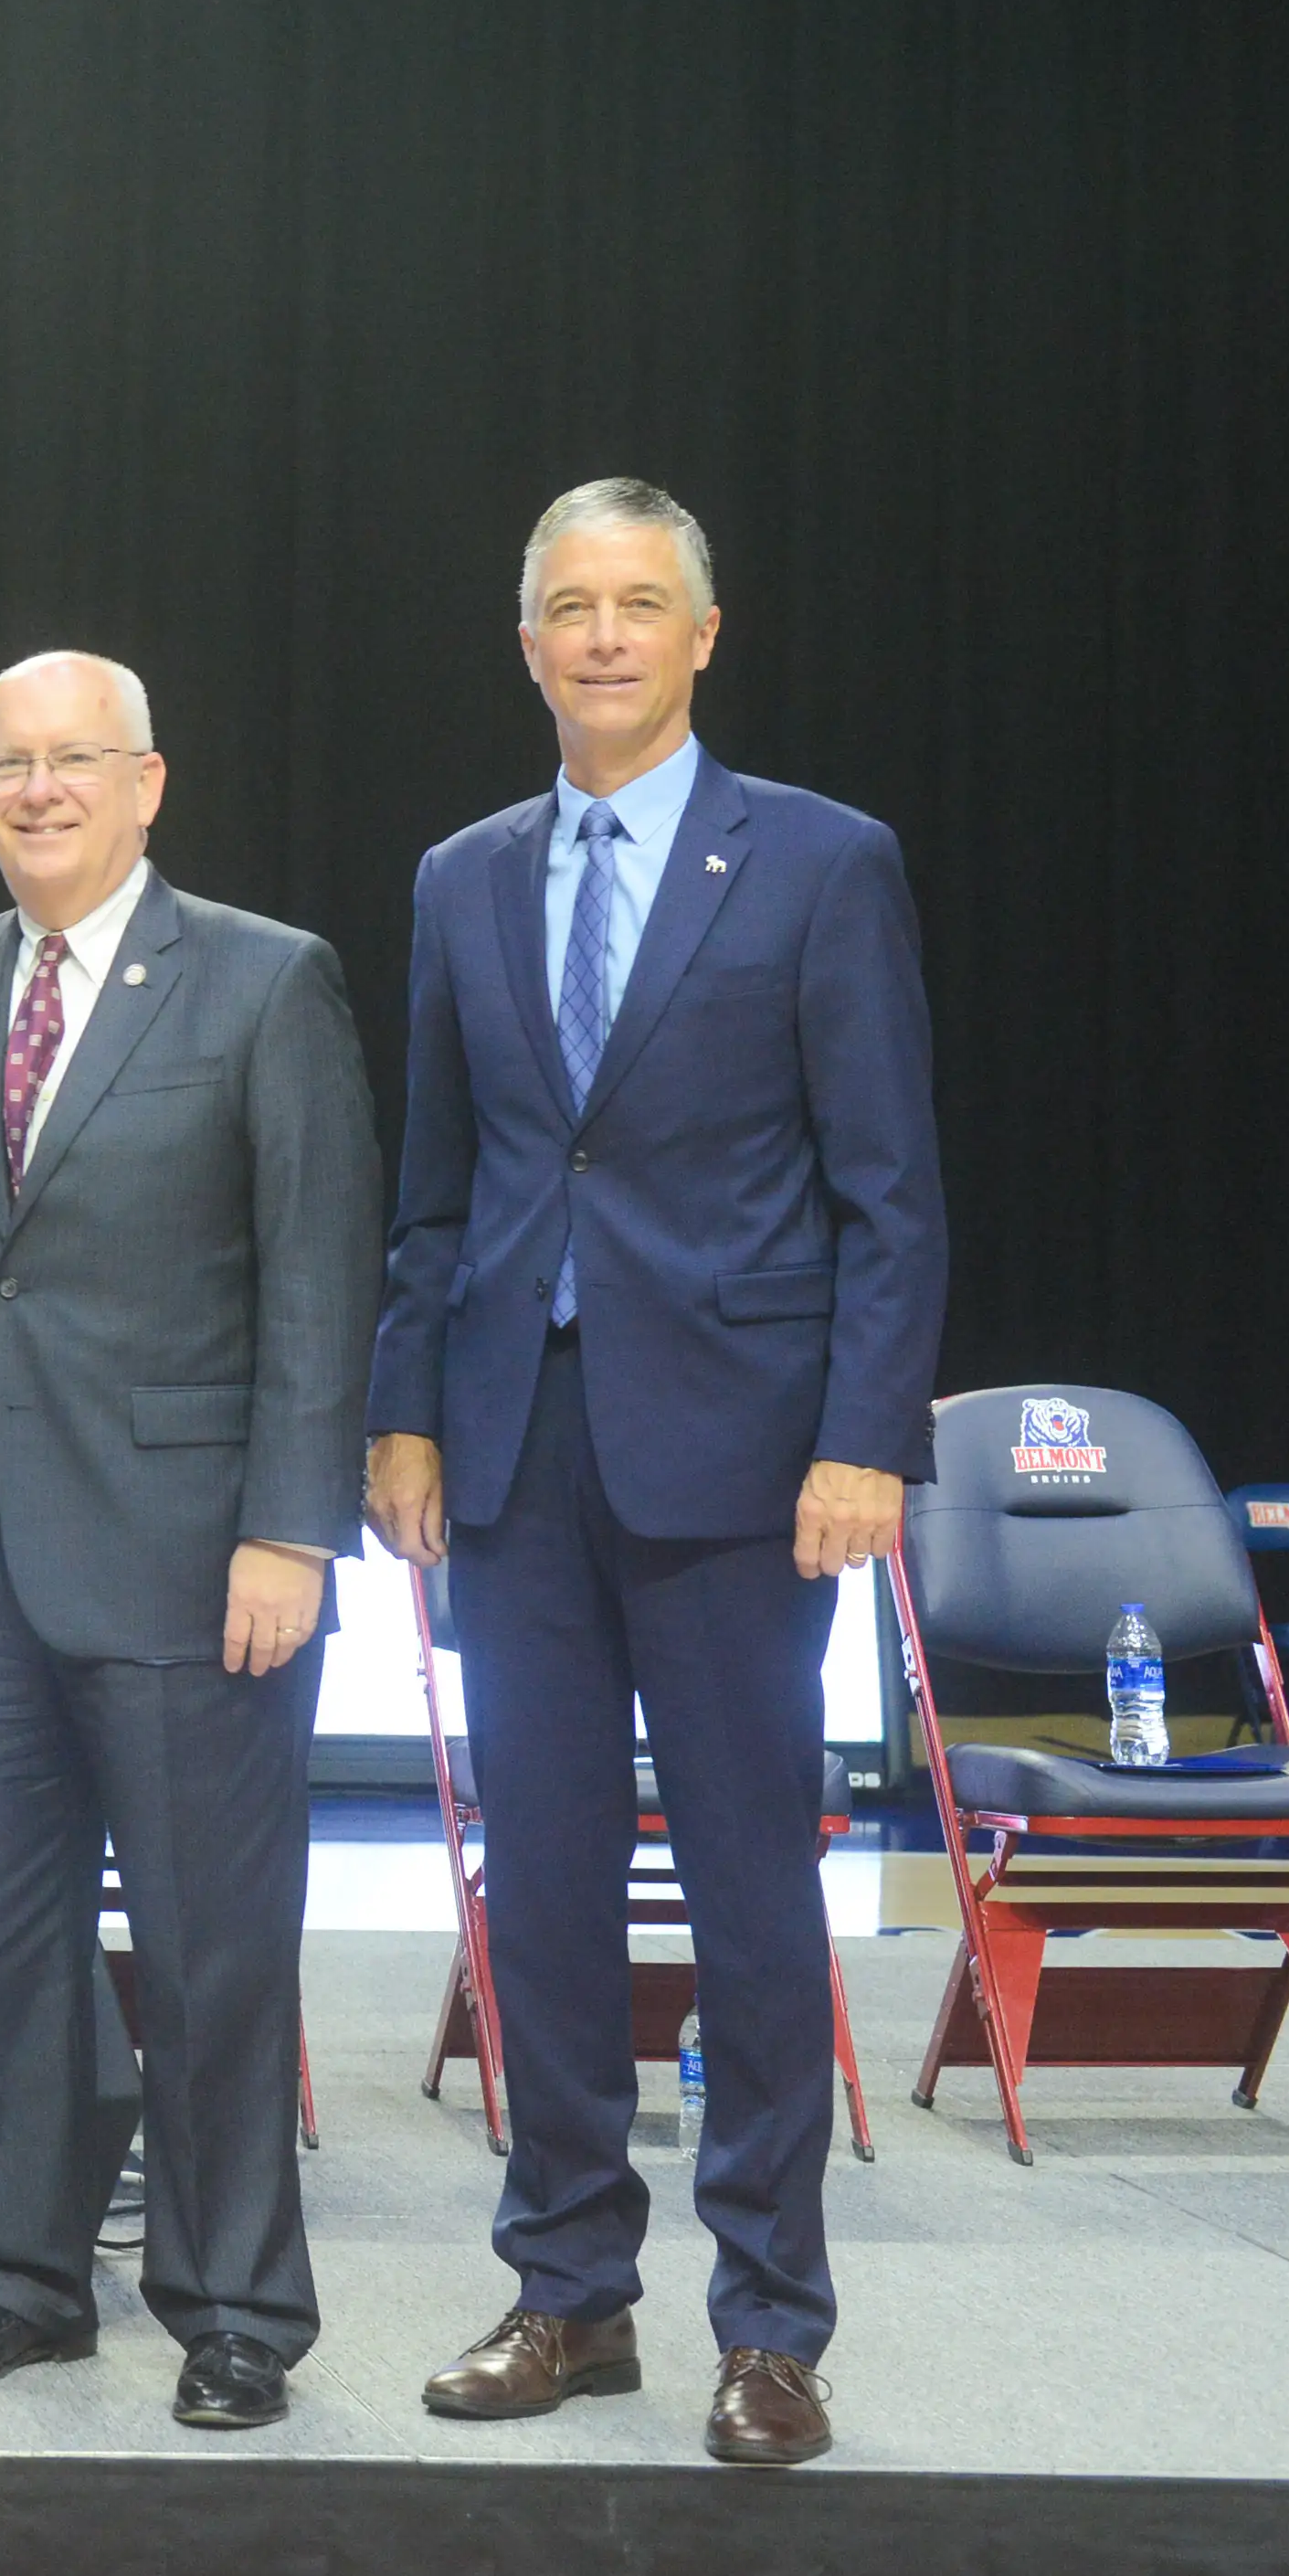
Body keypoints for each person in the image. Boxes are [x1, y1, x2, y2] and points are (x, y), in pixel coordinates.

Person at [365, 479, 946, 2467]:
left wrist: (867, 1438)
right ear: (523, 641)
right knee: (536, 1905)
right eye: (566, 607)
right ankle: (568, 2294)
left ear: (706, 634)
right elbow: (435, 1191)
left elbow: (892, 1191)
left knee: (757, 1907)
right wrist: (405, 1407)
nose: (602, 636)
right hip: (517, 1469)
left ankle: (773, 2321)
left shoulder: (820, 861)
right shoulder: (459, 877)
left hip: (739, 1471)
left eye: (639, 604)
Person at [0, 652, 375, 2429]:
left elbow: (315, 1273)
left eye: (78, 759)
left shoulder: (264, 980)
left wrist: (293, 1529)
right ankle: (20, 2278)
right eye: (11, 763)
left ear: (150, 784)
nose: (42, 788)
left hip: (186, 1554)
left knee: (216, 1956)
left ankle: (233, 2309)